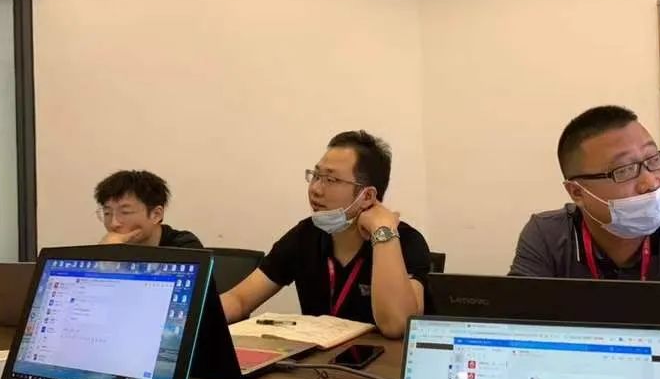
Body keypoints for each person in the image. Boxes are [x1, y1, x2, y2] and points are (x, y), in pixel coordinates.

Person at [510, 105, 660, 375]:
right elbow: (517, 341)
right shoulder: (545, 235)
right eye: (624, 170)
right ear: (577, 192)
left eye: (654, 159)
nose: (651, 182)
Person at [221, 131, 431, 338]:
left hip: (380, 360)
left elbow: (397, 325)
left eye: (330, 179)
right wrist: (201, 314)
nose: (315, 189)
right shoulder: (305, 235)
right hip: (320, 359)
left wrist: (382, 229)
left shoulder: (406, 241)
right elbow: (239, 300)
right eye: (316, 176)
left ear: (367, 196)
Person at [94, 170, 203, 248]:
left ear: (156, 214)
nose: (113, 224)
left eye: (125, 212)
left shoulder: (185, 246)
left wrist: (110, 255)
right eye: (107, 213)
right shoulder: (112, 244)